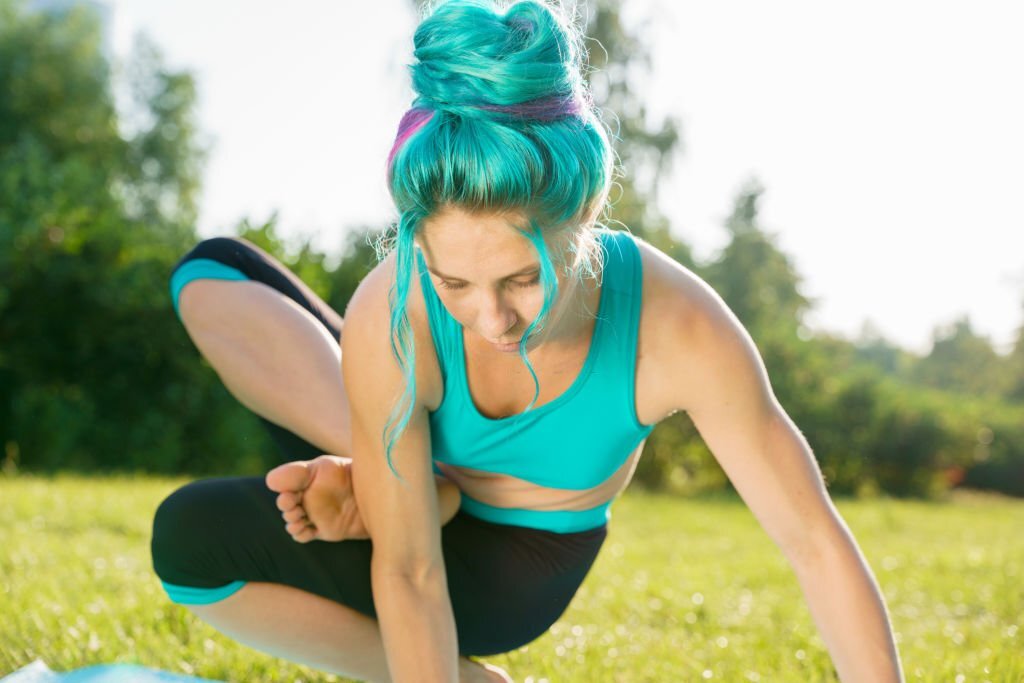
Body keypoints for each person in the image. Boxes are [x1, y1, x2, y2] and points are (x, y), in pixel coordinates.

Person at [150, 1, 905, 681]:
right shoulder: (394, 301)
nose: (492, 319)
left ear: (584, 222)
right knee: (212, 272)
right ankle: (399, 474)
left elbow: (813, 540)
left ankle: (401, 477)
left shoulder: (679, 330)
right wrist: (400, 485)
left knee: (197, 533)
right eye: (455, 285)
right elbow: (406, 570)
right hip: (414, 517)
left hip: (512, 561)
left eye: (521, 279)